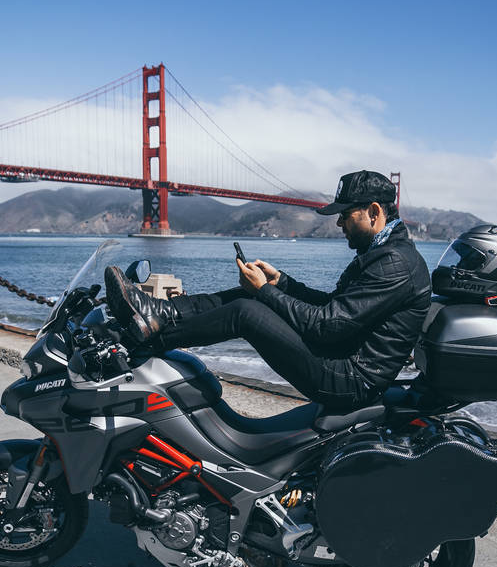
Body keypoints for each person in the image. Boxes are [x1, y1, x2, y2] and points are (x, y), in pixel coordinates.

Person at [104, 170, 431, 413]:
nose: (338, 224)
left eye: (345, 215)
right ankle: (161, 313)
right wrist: (281, 284)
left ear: (374, 212)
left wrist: (265, 293)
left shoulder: (394, 264)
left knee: (246, 312)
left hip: (351, 379)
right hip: (344, 360)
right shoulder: (385, 255)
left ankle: (148, 337)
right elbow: (336, 308)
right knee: (248, 297)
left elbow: (327, 325)